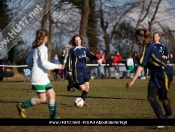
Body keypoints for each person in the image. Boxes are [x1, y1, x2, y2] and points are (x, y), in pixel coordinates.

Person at [126, 29, 173, 123]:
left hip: (164, 73)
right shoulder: (146, 47)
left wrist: (132, 80)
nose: (135, 41)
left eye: (136, 38)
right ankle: (163, 119)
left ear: (140, 38)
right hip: (155, 74)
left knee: (162, 97)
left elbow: (142, 65)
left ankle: (169, 114)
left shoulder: (147, 47)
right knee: (151, 97)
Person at [16, 29, 63, 119]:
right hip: (38, 78)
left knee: (52, 94)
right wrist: (58, 66)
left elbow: (28, 61)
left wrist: (33, 70)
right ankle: (22, 105)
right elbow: (44, 63)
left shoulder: (34, 48)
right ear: (46, 37)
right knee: (42, 99)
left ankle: (53, 116)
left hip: (42, 77)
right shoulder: (43, 48)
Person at [67, 34, 99, 106]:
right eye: (76, 40)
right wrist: (69, 70)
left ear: (81, 40)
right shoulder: (72, 50)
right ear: (74, 41)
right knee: (82, 88)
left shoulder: (85, 49)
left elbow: (90, 55)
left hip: (84, 69)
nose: (77, 41)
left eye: (78, 39)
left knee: (87, 87)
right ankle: (72, 84)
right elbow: (69, 60)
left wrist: (96, 57)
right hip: (77, 70)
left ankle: (82, 101)